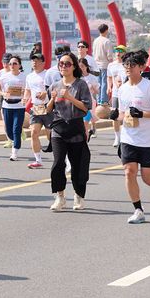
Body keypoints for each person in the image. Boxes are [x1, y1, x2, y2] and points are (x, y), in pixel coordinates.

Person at [102, 52, 150, 224]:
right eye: (126, 65)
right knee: (129, 171)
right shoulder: (123, 89)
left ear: (141, 67)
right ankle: (138, 210)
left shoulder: (149, 87)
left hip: (148, 140)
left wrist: (142, 114)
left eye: (132, 65)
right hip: (128, 138)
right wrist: (115, 115)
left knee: (148, 178)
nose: (128, 68)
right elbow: (123, 114)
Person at [46, 53, 92, 212]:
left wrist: (69, 97)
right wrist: (52, 99)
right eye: (61, 64)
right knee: (58, 163)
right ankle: (60, 196)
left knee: (78, 165)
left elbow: (86, 108)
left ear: (74, 67)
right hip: (58, 128)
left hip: (75, 128)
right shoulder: (54, 85)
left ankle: (79, 195)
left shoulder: (81, 85)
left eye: (67, 64)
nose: (63, 66)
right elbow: (48, 109)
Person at [0, 53, 28, 159]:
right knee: (9, 131)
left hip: (19, 106)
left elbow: (28, 90)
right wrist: (3, 94)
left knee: (16, 129)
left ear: (19, 65)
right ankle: (15, 140)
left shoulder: (24, 77)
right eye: (10, 63)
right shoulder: (4, 76)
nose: (12, 65)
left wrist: (25, 96)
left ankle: (14, 152)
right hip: (7, 105)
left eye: (14, 63)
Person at [25, 51, 51, 169]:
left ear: (43, 63)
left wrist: (45, 93)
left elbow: (54, 88)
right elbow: (28, 90)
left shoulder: (48, 74)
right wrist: (25, 98)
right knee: (34, 133)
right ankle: (38, 160)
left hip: (48, 107)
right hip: (35, 108)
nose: (34, 63)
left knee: (51, 135)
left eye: (37, 61)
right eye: (33, 61)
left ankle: (64, 158)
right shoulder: (29, 76)